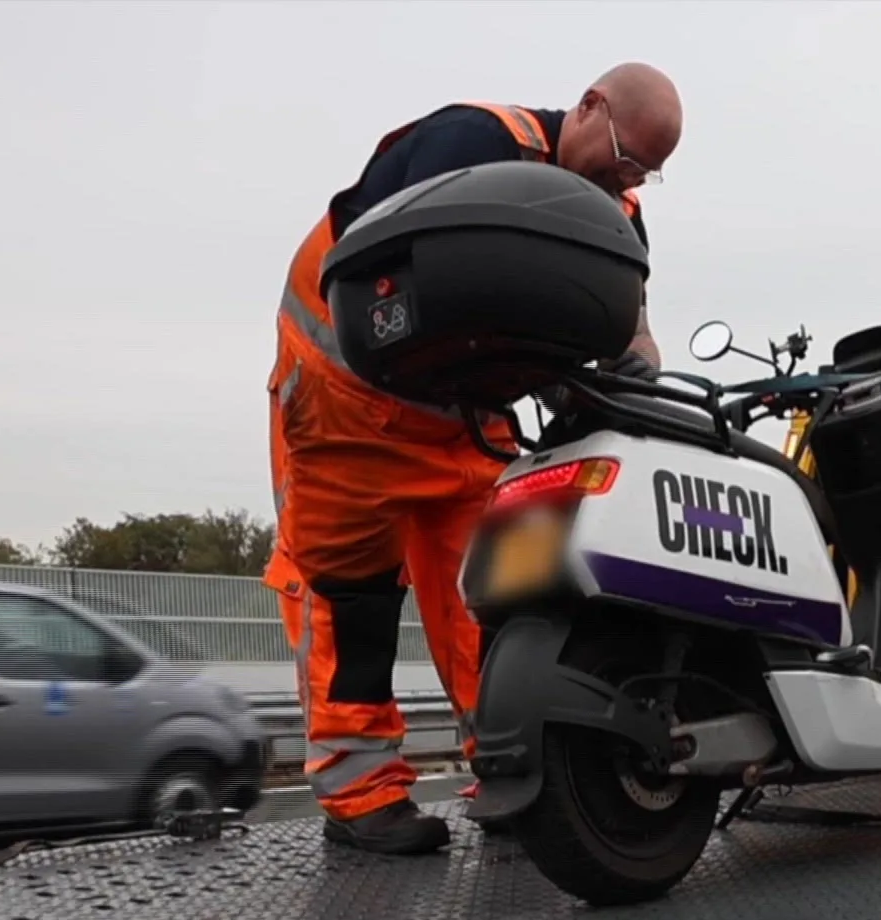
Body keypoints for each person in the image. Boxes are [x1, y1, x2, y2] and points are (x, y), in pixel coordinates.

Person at [262, 64, 683, 855]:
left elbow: (627, 323)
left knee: (489, 607)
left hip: (461, 425)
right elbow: (402, 284)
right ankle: (359, 795)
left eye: (645, 172)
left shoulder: (618, 213)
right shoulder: (473, 142)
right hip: (348, 411)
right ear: (589, 106)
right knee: (352, 599)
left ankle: (510, 774)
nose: (629, 181)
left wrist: (630, 371)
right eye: (625, 157)